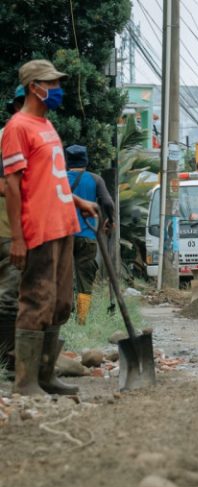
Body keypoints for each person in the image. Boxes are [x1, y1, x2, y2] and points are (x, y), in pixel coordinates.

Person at [1, 59, 98, 396]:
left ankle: (45, 375)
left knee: (59, 304)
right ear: (34, 87)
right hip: (38, 227)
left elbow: (49, 180)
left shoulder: (47, 125)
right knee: (36, 301)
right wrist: (17, 238)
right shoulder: (18, 126)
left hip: (64, 224)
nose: (57, 89)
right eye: (51, 84)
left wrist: (77, 201)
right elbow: (13, 186)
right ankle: (25, 383)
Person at [66, 144, 115, 325]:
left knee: (64, 277)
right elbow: (108, 204)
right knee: (84, 277)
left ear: (68, 161)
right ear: (86, 161)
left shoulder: (59, 179)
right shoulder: (95, 179)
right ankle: (81, 320)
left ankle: (65, 317)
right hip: (87, 236)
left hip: (63, 237)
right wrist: (110, 219)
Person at [0, 85, 26, 370]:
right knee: (9, 298)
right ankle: (8, 361)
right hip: (7, 229)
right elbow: (5, 185)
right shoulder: (9, 138)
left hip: (13, 228)